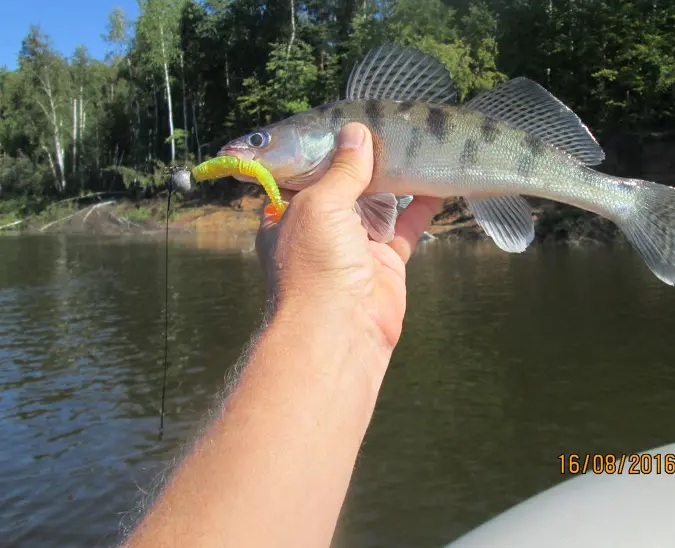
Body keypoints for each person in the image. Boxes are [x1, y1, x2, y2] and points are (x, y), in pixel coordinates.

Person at [122, 122, 444, 547]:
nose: (243, 149)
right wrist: (343, 314)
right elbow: (376, 218)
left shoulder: (344, 150)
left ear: (335, 142)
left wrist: (330, 313)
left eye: (258, 141)